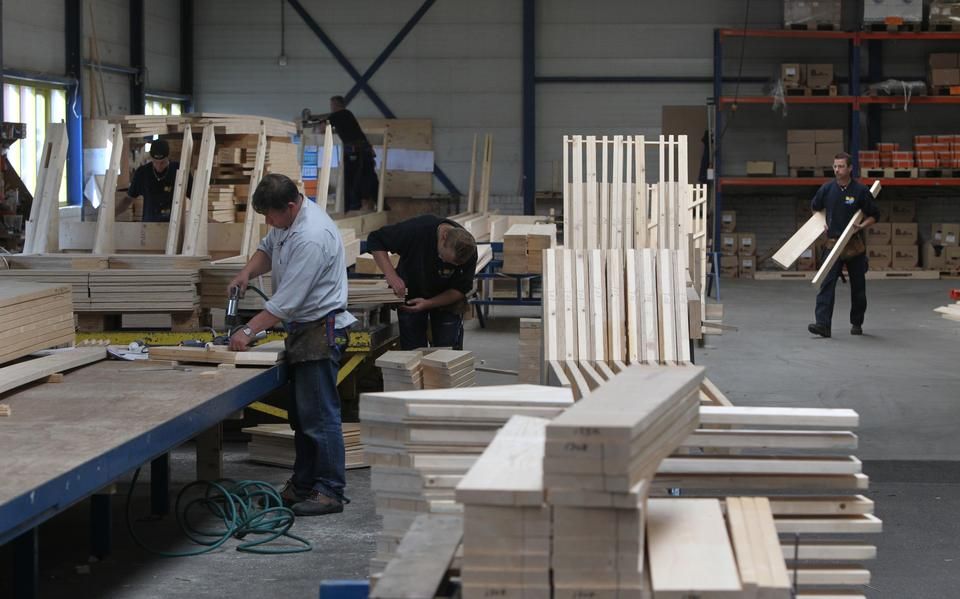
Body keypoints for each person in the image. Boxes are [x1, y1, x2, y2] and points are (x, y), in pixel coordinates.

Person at [228, 173, 356, 516]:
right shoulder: (287, 220)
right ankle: (303, 485)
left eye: (271, 216)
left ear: (290, 205)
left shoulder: (313, 237)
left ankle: (329, 490)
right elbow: (268, 248)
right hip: (302, 328)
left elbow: (287, 301)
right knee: (302, 416)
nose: (269, 223)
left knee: (320, 416)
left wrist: (247, 332)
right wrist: (246, 273)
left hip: (319, 329)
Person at [366, 215, 478, 350]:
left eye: (452, 264)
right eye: (443, 258)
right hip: (412, 293)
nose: (444, 263)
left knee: (447, 352)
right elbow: (376, 239)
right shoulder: (416, 230)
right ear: (443, 237)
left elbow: (461, 289)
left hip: (446, 299)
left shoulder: (468, 250)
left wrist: (428, 303)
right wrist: (391, 275)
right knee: (412, 352)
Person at [808, 152, 880, 338]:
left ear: (849, 168)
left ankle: (857, 322)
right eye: (835, 166)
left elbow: (874, 215)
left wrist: (861, 226)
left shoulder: (861, 191)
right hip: (832, 245)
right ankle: (822, 324)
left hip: (854, 245)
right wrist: (821, 222)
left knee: (858, 288)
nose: (837, 170)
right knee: (826, 284)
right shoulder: (827, 189)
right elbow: (815, 207)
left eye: (841, 166)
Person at [322, 95, 379, 212]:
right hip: (364, 151)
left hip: (356, 153)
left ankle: (355, 207)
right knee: (369, 178)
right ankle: (373, 205)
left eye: (332, 105)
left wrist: (318, 123)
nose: (331, 107)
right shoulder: (348, 114)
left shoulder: (337, 115)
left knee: (353, 180)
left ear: (335, 105)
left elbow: (321, 129)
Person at [117, 139, 189, 222]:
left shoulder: (178, 170)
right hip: (149, 225)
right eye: (155, 162)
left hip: (173, 227)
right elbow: (128, 199)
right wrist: (112, 214)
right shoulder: (142, 173)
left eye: (162, 163)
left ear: (168, 157)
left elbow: (194, 195)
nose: (158, 167)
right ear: (151, 158)